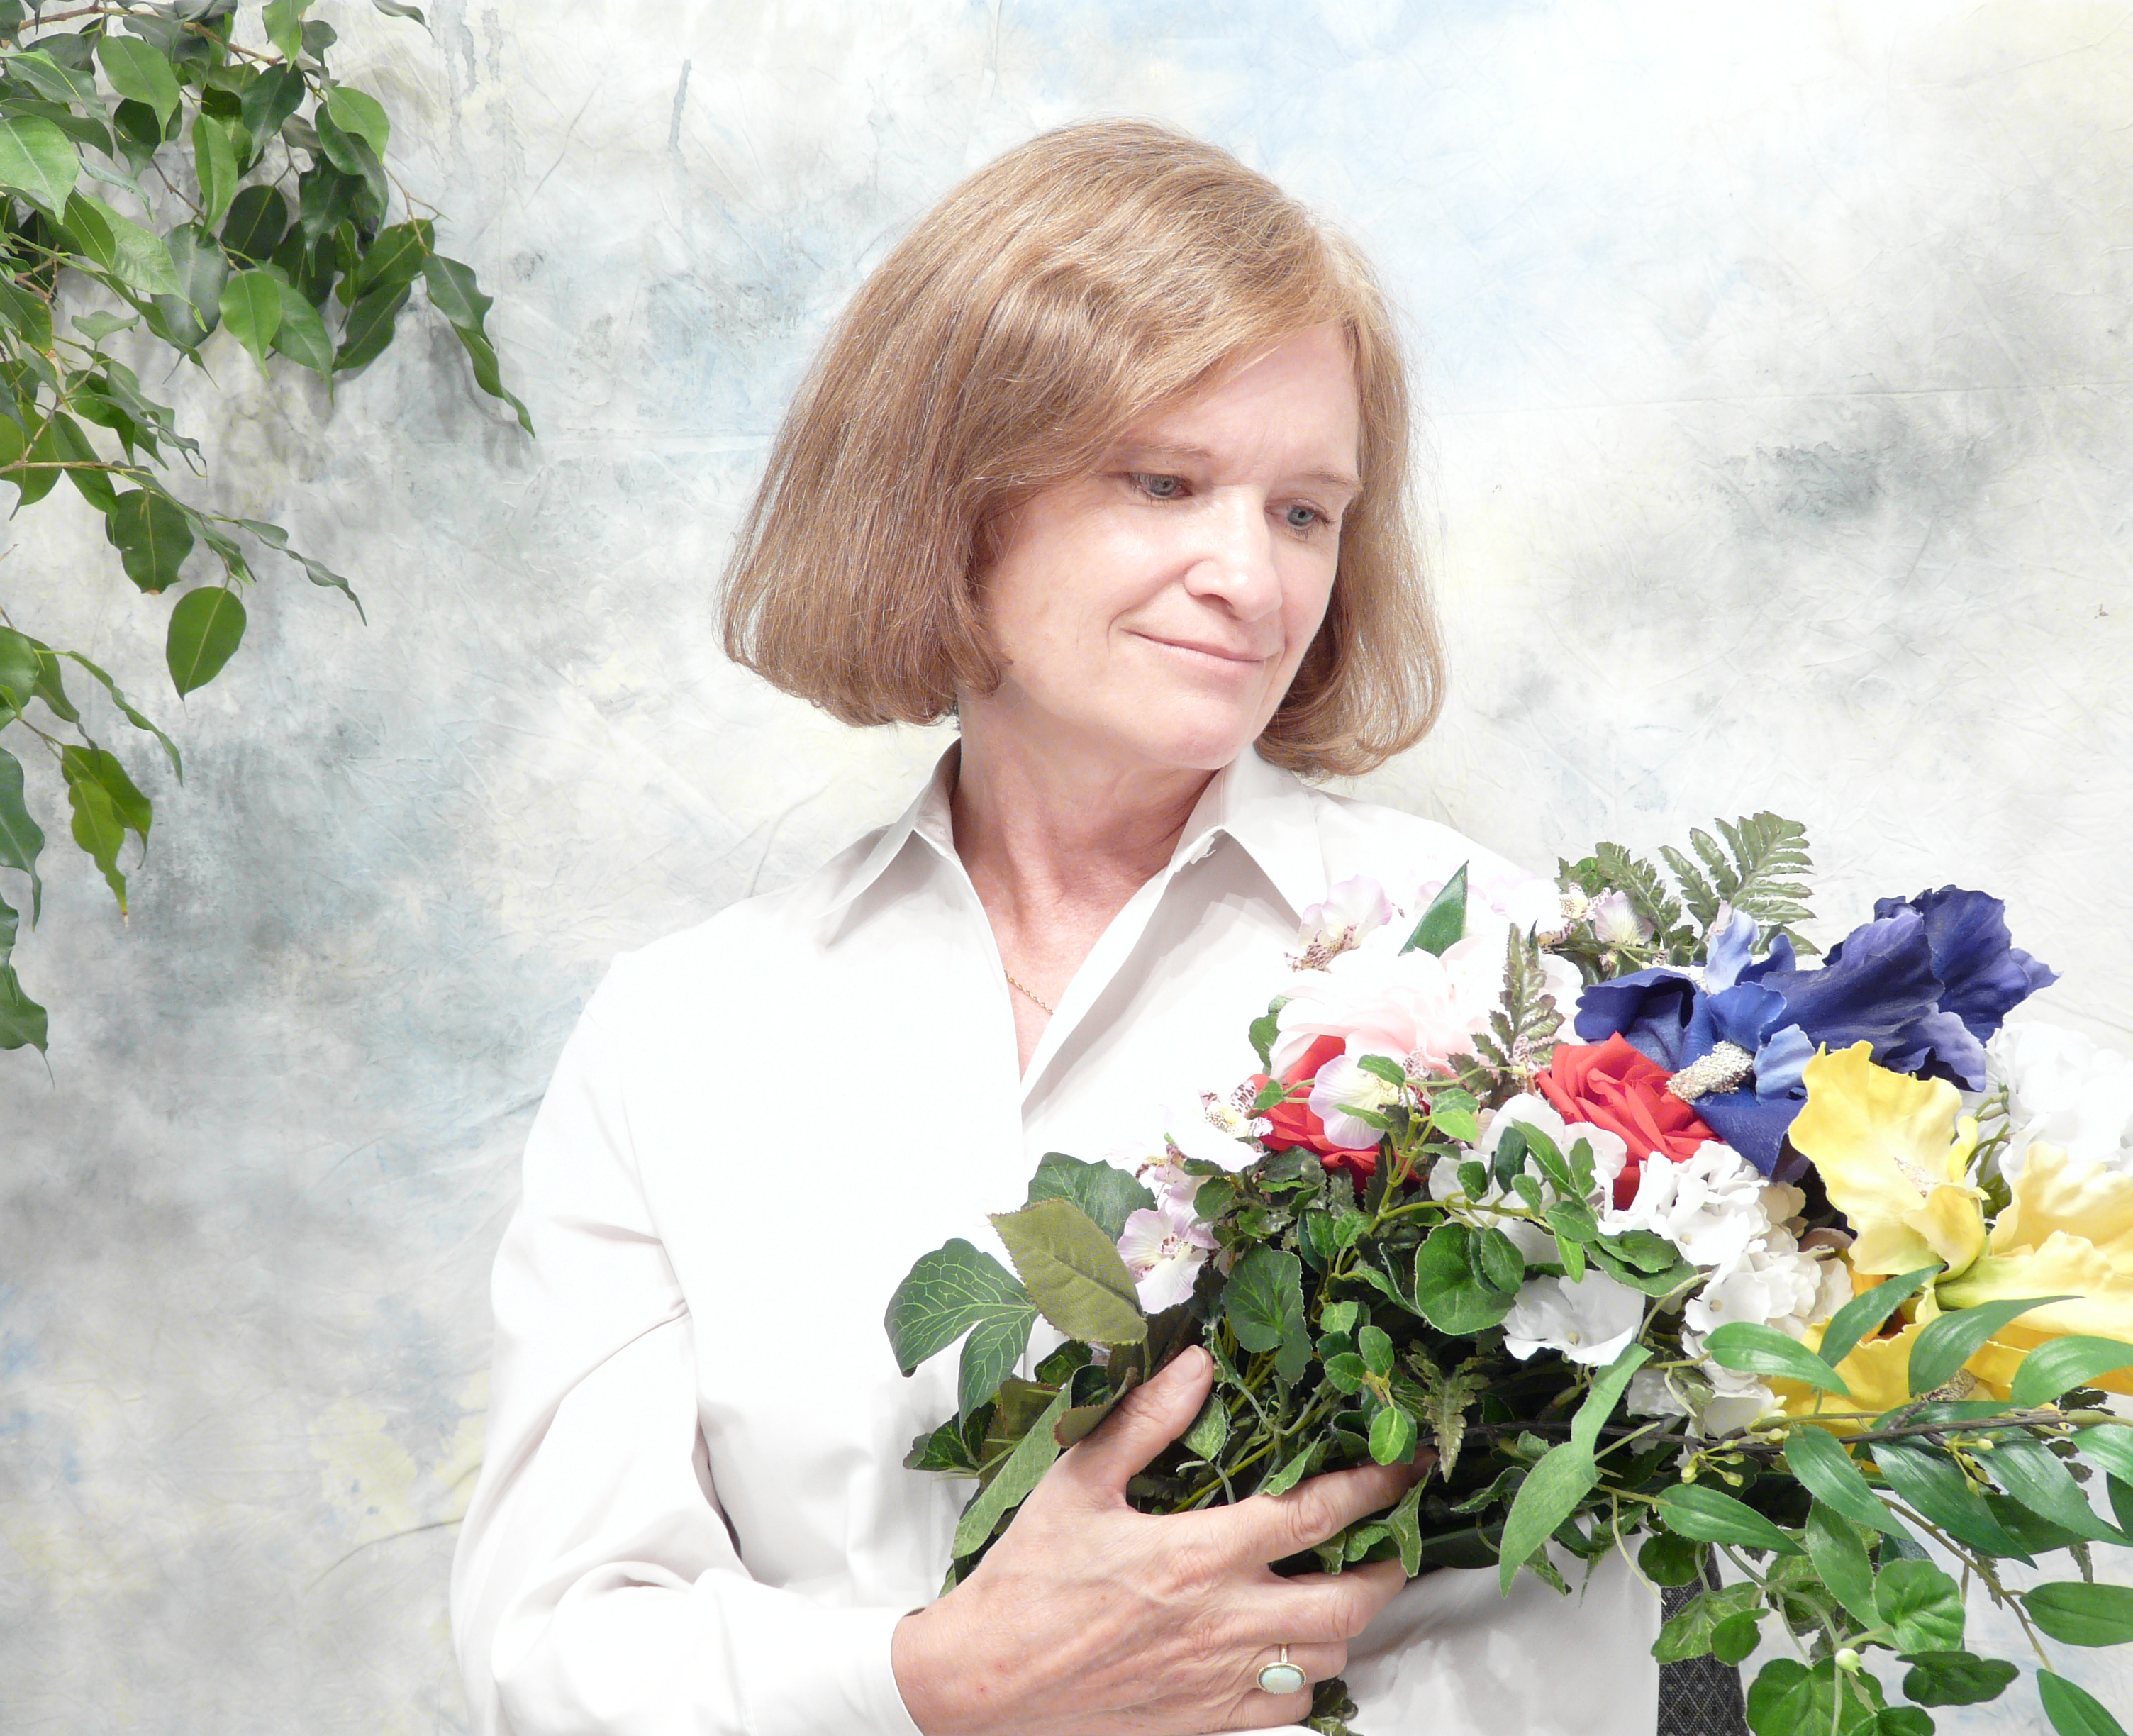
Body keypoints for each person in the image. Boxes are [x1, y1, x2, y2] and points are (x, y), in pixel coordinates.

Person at [451, 119, 1659, 1735]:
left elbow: (1582, 1633)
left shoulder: (1507, 976)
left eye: (1305, 512)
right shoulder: (685, 1036)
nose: (1251, 579)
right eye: (1163, 482)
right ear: (954, 499)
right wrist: (937, 1688)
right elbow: (556, 1649)